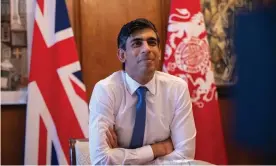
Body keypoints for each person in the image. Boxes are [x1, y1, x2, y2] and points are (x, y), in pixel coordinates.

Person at [89, 18, 196, 165]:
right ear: (122, 55)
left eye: (152, 42)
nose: (147, 49)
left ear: (159, 51)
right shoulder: (106, 90)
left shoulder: (177, 89)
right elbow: (101, 160)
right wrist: (157, 149)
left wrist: (124, 158)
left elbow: (185, 156)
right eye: (137, 43)